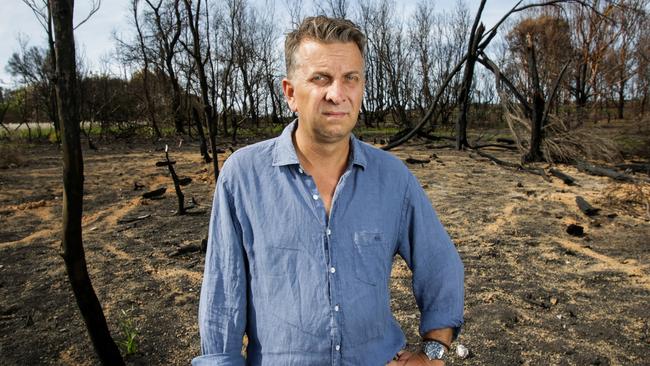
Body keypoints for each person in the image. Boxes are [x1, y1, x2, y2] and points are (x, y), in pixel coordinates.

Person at [193, 16, 464, 366]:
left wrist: (433, 351)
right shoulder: (243, 177)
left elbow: (440, 263)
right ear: (290, 92)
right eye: (321, 78)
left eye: (350, 78)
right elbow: (222, 300)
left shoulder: (393, 177)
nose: (338, 94)